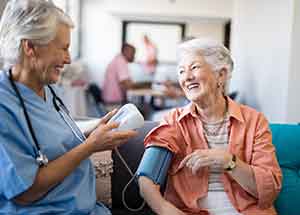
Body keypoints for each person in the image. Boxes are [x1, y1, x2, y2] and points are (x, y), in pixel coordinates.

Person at [0, 1, 137, 214]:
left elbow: (55, 142)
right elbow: (25, 192)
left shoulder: (48, 89)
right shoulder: (4, 105)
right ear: (30, 47)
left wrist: (92, 131)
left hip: (87, 208)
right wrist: (90, 146)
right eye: (63, 48)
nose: (68, 59)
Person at [138, 38, 282, 215]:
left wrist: (228, 161)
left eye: (194, 67)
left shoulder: (254, 121)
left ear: (220, 75)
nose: (186, 77)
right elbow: (146, 179)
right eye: (181, 71)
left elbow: (269, 189)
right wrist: (165, 209)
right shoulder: (173, 121)